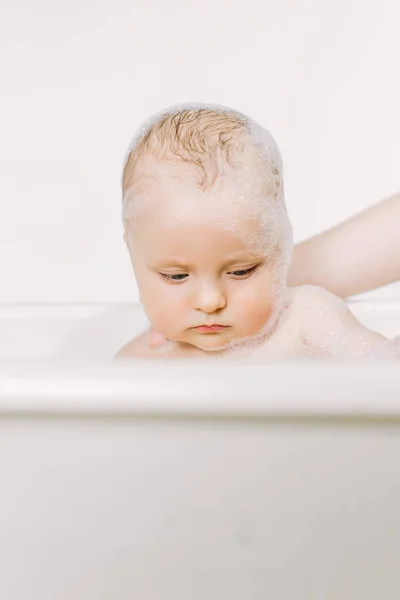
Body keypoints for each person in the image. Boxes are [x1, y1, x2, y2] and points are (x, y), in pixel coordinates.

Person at [115, 103, 398, 360]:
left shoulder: (305, 320)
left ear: (280, 249)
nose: (210, 301)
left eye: (241, 271)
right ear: (131, 254)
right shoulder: (138, 360)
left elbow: (379, 373)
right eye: (176, 277)